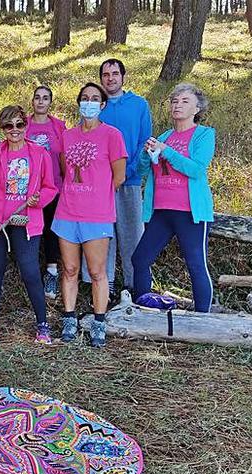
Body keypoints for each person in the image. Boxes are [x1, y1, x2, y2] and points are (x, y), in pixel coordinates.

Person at [0, 105, 58, 344]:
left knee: (30, 271)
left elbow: (50, 188)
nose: (14, 130)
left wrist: (38, 200)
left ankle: (42, 323)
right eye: (8, 125)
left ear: (26, 125)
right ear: (2, 128)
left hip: (26, 221)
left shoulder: (39, 154)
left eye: (19, 124)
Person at [131, 83, 216, 312]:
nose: (177, 105)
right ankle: (143, 306)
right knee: (140, 259)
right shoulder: (165, 135)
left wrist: (166, 151)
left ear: (197, 108)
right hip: (161, 211)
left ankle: (203, 318)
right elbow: (142, 172)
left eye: (185, 101)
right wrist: (145, 154)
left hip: (190, 212)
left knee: (196, 265)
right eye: (174, 101)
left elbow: (197, 170)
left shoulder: (204, 135)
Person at [54, 83, 126, 347]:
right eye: (85, 98)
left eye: (95, 98)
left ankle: (99, 321)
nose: (89, 102)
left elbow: (118, 176)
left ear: (103, 105)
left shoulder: (112, 135)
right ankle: (69, 318)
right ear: (78, 103)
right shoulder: (68, 135)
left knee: (97, 272)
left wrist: (96, 196)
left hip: (97, 215)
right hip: (67, 212)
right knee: (70, 269)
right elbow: (64, 169)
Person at [82, 59, 153, 298]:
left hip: (130, 180)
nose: (110, 78)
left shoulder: (138, 105)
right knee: (103, 234)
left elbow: (145, 141)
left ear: (123, 76)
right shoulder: (95, 106)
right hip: (99, 185)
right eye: (105, 74)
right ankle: (106, 283)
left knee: (132, 233)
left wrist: (130, 171)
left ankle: (136, 285)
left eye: (114, 74)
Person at [25, 85, 67, 300]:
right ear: (32, 101)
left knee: (51, 229)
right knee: (31, 229)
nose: (41, 101)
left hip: (54, 187)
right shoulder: (24, 124)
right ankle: (29, 273)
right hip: (29, 188)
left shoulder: (59, 126)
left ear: (51, 102)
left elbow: (64, 157)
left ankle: (51, 270)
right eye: (37, 98)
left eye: (45, 98)